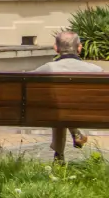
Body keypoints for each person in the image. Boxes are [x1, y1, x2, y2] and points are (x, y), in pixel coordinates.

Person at [33, 30, 102, 159]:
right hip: (89, 114)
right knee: (63, 108)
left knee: (59, 108)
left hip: (57, 113)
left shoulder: (47, 69)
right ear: (79, 48)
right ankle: (76, 133)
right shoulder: (95, 70)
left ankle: (59, 156)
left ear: (56, 48)